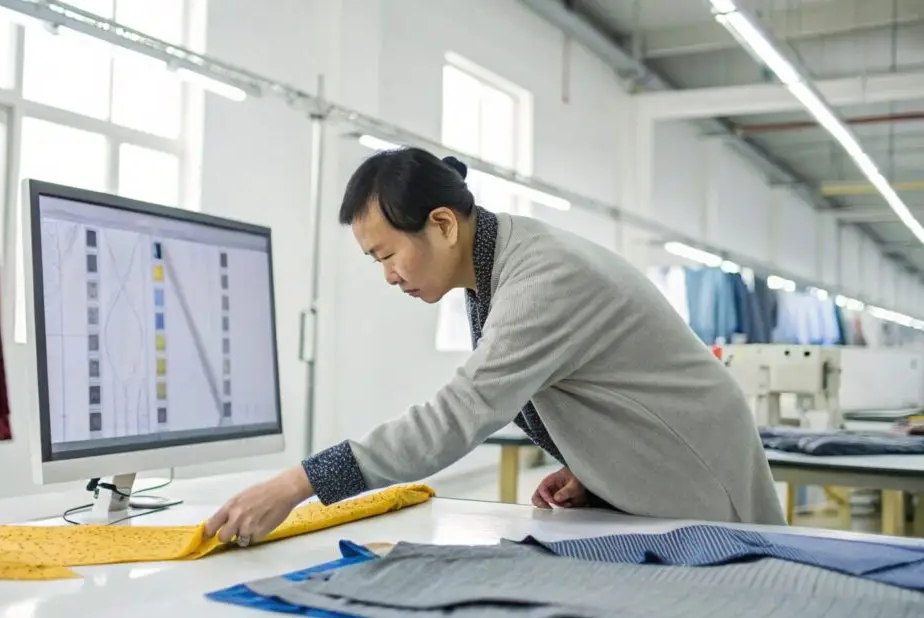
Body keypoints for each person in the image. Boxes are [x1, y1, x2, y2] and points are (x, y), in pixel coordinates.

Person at [204, 147, 786, 545]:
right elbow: (603, 380)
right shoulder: (499, 262)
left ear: (443, 224)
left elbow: (458, 415)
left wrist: (295, 485)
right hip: (669, 459)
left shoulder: (541, 278)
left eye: (387, 255)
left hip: (702, 478)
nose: (387, 275)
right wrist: (594, 466)